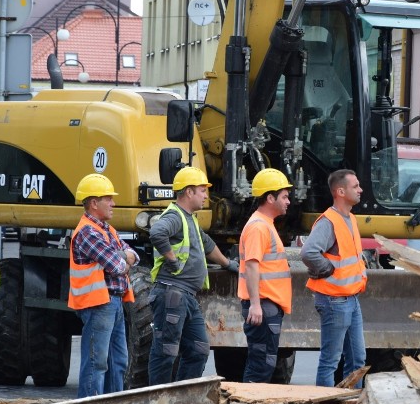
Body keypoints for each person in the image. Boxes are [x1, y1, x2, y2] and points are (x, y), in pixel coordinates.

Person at [148, 166, 236, 385]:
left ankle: (182, 398)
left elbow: (207, 245)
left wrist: (229, 264)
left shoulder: (191, 220)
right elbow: (157, 232)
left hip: (186, 296)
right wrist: (171, 258)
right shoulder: (175, 217)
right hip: (172, 293)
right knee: (166, 351)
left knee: (198, 350)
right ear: (189, 192)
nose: (206, 195)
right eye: (202, 190)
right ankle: (157, 401)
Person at [70, 173, 139, 398]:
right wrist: (122, 257)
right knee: (96, 363)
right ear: (93, 203)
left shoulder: (107, 230)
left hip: (114, 303)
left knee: (118, 361)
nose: (113, 203)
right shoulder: (87, 232)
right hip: (99, 304)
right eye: (108, 198)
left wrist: (123, 257)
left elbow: (133, 256)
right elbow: (118, 265)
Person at [301, 169, 368, 388]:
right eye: (355, 186)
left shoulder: (351, 219)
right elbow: (308, 252)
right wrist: (328, 270)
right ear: (340, 191)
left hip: (351, 299)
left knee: (358, 360)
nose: (360, 190)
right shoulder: (328, 221)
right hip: (334, 300)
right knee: (330, 361)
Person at [238, 168, 293, 382]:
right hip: (263, 304)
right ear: (270, 197)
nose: (288, 201)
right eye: (285, 197)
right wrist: (255, 304)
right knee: (261, 363)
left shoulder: (265, 225)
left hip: (268, 304)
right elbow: (252, 266)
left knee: (264, 361)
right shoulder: (259, 227)